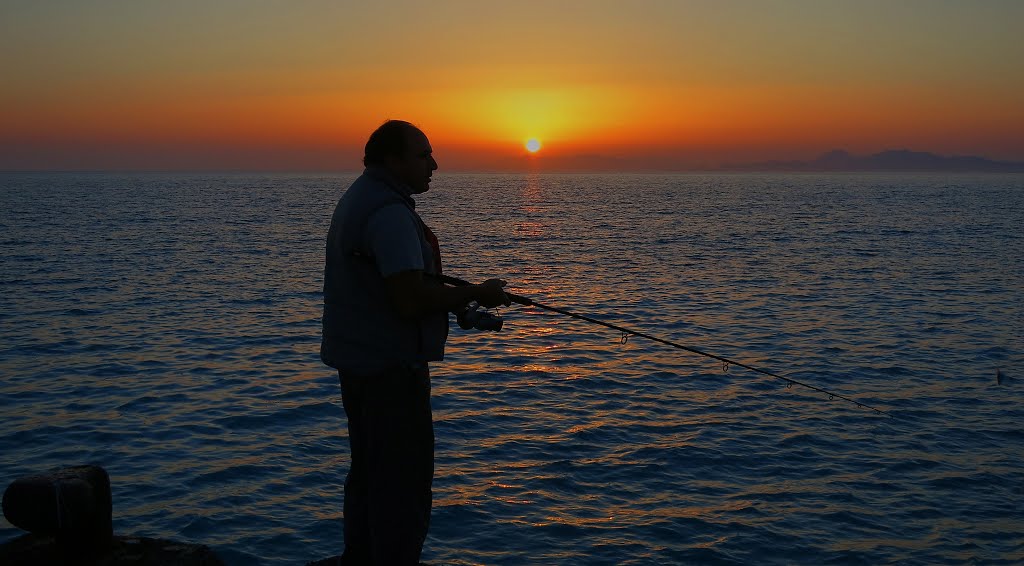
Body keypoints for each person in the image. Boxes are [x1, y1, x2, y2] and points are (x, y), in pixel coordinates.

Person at [321, 119, 510, 565]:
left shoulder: (361, 199)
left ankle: (360, 557)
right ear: (393, 160)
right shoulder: (388, 214)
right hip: (390, 372)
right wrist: (477, 293)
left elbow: (397, 287)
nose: (434, 165)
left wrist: (455, 306)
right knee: (402, 484)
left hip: (361, 366)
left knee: (369, 474)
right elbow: (408, 299)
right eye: (423, 155)